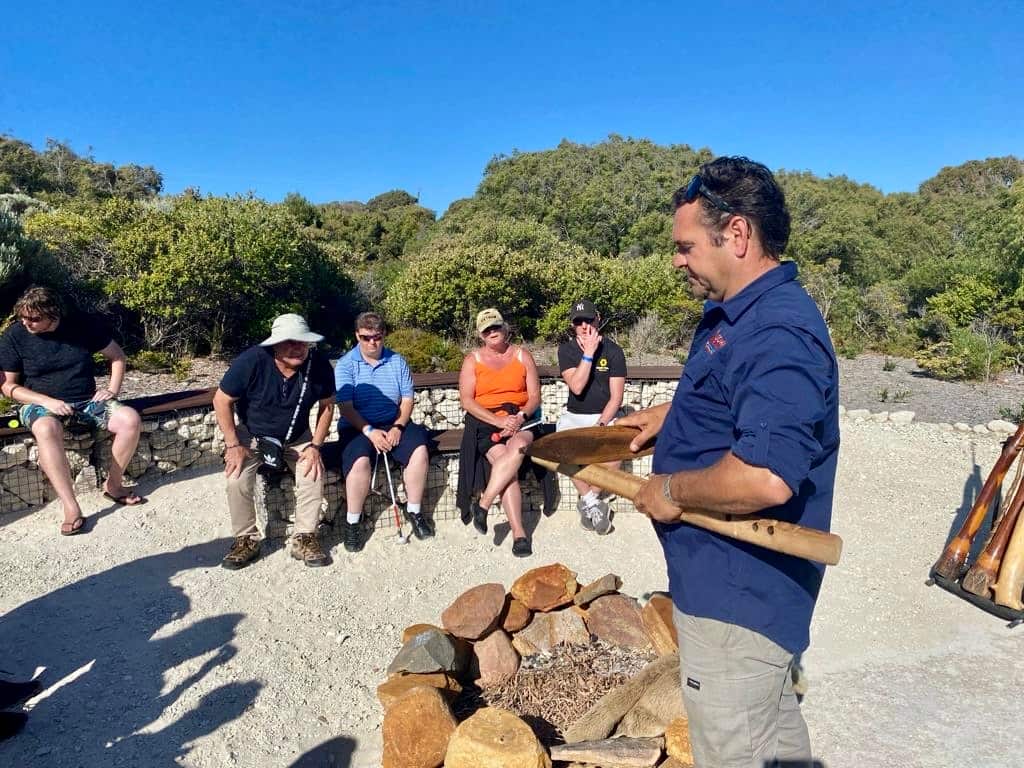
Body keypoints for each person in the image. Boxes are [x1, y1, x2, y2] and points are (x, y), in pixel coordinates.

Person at [618, 157, 839, 768]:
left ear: (736, 234)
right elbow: (740, 398)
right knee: (776, 736)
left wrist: (671, 489)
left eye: (685, 245)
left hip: (740, 597)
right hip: (728, 585)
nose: (676, 259)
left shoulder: (776, 331)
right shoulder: (736, 314)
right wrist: (675, 412)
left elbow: (765, 475)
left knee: (733, 750)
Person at [0, 287, 145, 536]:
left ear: (53, 315)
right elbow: (8, 386)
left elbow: (117, 357)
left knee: (130, 419)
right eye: (22, 317)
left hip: (86, 401)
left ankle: (114, 484)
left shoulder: (82, 325)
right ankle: (71, 505)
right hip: (38, 403)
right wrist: (46, 401)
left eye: (34, 319)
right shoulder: (16, 335)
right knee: (46, 428)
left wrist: (111, 389)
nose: (27, 323)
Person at [213, 313, 335, 569]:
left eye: (302, 342)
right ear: (275, 344)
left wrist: (315, 445)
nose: (297, 348)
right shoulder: (251, 361)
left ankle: (304, 536)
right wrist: (234, 444)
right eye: (290, 342)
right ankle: (246, 538)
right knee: (236, 477)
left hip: (297, 436)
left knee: (312, 472)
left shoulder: (319, 364)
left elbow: (327, 405)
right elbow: (221, 400)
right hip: (252, 435)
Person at [334, 312, 434, 553]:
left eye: (377, 337)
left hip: (393, 422)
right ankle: (352, 523)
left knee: (419, 451)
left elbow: (407, 399)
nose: (372, 343)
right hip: (358, 427)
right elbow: (345, 407)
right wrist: (370, 432)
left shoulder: (397, 361)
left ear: (383, 335)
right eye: (366, 337)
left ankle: (414, 511)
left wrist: (399, 426)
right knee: (359, 461)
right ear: (357, 335)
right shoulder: (346, 364)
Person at [456, 308, 541, 557]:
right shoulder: (473, 360)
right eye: (487, 330)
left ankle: (483, 503)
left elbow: (534, 396)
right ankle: (519, 534)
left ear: (505, 328)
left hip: (521, 418)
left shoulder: (522, 355)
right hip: (485, 421)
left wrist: (520, 417)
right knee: (509, 470)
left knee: (518, 449)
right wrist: (497, 421)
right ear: (481, 335)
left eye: (496, 327)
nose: (492, 332)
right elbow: (467, 401)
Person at [556, 298, 626, 535]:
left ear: (597, 318)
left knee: (617, 453)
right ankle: (592, 502)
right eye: (579, 322)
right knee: (559, 452)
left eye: (588, 320)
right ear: (572, 325)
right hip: (575, 416)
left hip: (603, 415)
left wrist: (602, 423)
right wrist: (588, 354)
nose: (585, 326)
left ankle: (589, 500)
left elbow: (616, 397)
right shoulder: (566, 350)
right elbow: (576, 387)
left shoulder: (614, 351)